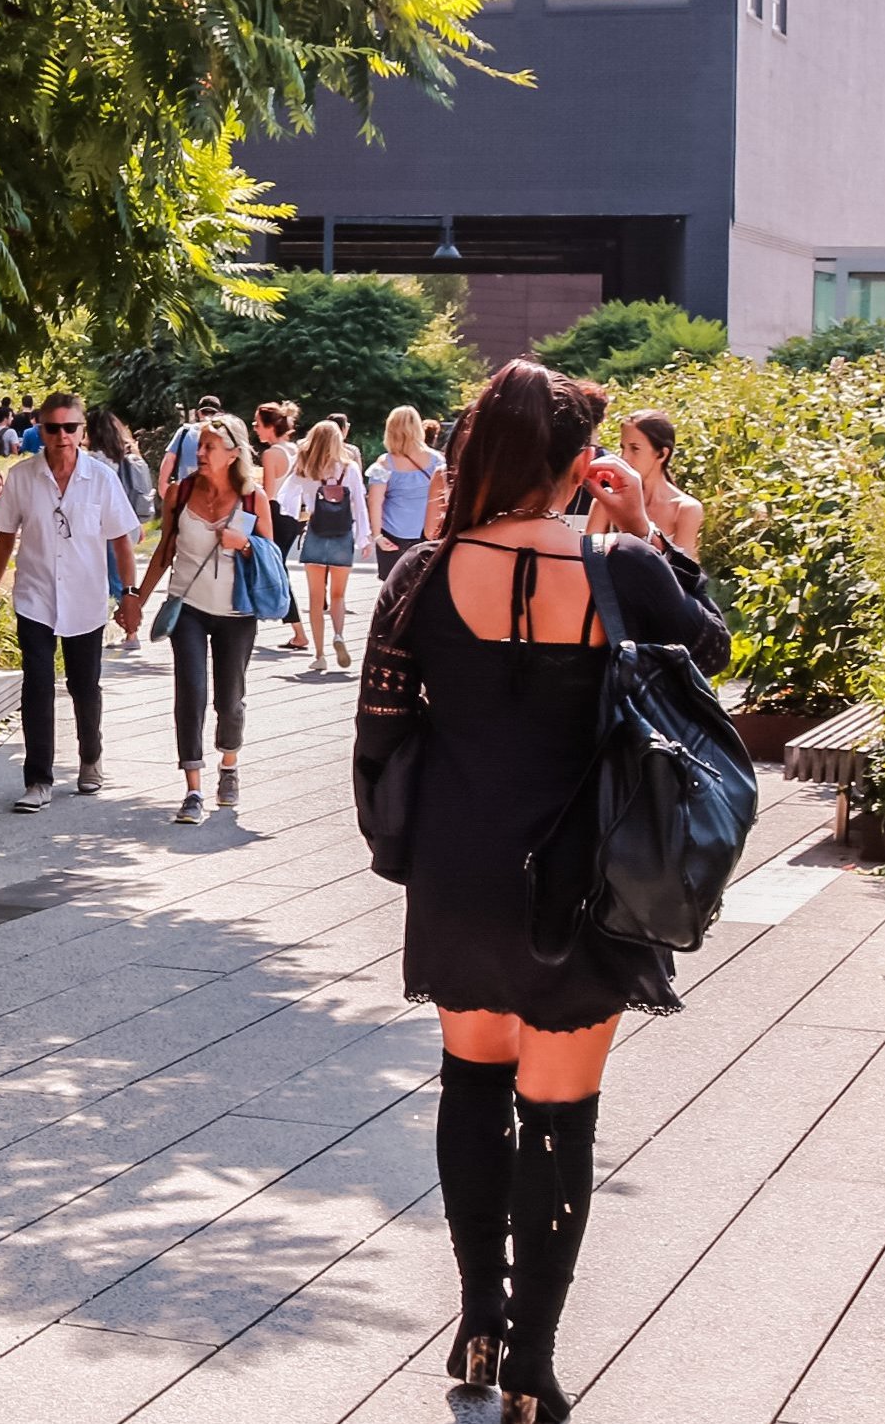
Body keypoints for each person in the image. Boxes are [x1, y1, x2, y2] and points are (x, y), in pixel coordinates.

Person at [353, 360, 730, 1423]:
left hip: (462, 877)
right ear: (577, 466)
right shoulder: (625, 568)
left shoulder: (421, 576)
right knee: (559, 1118)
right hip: (588, 886)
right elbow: (710, 662)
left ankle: (477, 1319)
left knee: (471, 1089)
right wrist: (657, 531)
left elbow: (379, 747)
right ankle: (532, 1367)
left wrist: (413, 863)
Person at [0, 391, 143, 811]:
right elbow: (4, 538)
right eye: (54, 428)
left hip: (86, 597)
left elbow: (122, 539)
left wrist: (129, 594)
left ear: (82, 432)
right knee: (37, 686)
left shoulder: (101, 479)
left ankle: (90, 757)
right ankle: (38, 779)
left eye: (71, 427)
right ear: (41, 431)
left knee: (84, 686)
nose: (62, 436)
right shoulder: (23, 477)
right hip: (35, 596)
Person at [129, 414, 268, 825]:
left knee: (230, 699)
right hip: (187, 606)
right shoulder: (180, 491)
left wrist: (244, 545)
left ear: (233, 454)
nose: (200, 453)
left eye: (209, 446)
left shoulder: (252, 498)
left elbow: (270, 557)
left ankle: (229, 763)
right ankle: (192, 788)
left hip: (236, 612)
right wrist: (138, 598)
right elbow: (164, 551)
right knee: (190, 690)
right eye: (200, 445)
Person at [276, 420, 374, 669]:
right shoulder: (349, 469)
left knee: (315, 599)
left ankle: (319, 655)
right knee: (338, 595)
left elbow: (284, 496)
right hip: (342, 536)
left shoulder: (305, 467)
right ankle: (339, 635)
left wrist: (298, 510)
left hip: (316, 534)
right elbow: (360, 505)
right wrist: (364, 536)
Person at [367, 405, 450, 588]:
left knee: (392, 590)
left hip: (393, 535)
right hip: (428, 534)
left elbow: (375, 501)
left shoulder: (384, 463)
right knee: (425, 588)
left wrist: (377, 535)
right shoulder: (437, 460)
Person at [254, 401, 310, 651]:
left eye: (257, 423)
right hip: (293, 515)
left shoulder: (271, 454)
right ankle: (296, 629)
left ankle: (298, 630)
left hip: (274, 512)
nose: (254, 428)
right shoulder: (295, 449)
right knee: (277, 567)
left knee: (271, 567)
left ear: (269, 427)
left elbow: (266, 494)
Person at [617, 410, 705, 554]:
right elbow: (585, 560)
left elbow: (682, 572)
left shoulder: (685, 509)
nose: (624, 457)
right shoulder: (608, 501)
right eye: (623, 448)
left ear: (662, 454)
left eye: (635, 449)